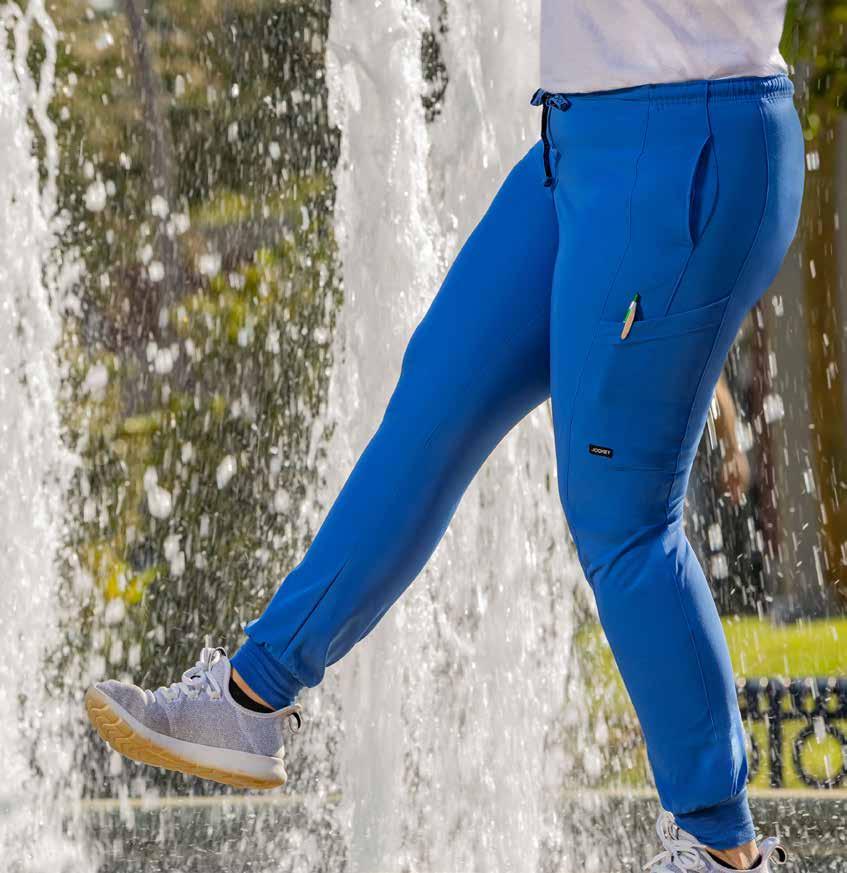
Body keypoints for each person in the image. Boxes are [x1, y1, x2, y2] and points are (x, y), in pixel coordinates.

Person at [85, 2, 803, 870]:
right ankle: (250, 697)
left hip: (689, 136)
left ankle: (719, 845)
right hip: (578, 138)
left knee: (620, 513)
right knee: (437, 395)